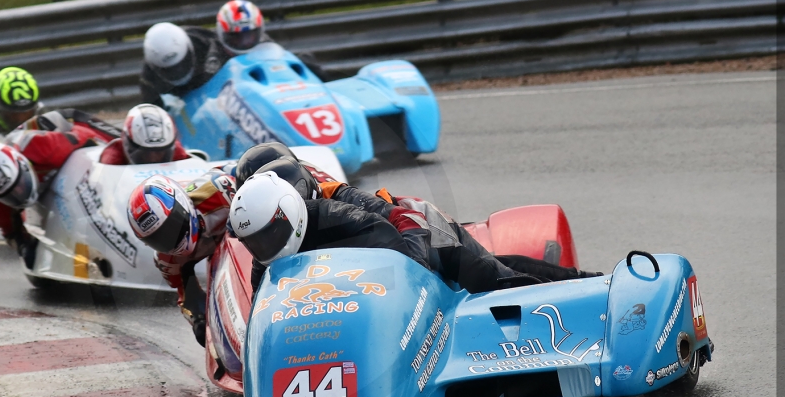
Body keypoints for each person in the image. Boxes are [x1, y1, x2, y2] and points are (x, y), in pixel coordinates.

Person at [231, 170, 603, 295]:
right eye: (255, 241)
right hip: (394, 231)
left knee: (486, 274)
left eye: (268, 235)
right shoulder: (267, 255)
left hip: (416, 225)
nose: (264, 247)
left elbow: (402, 234)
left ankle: (579, 288)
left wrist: (414, 272)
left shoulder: (337, 207)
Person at [0, 109, 120, 265]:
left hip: (72, 124)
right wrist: (23, 246)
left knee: (123, 144)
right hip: (38, 148)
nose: (19, 194)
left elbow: (88, 139)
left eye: (20, 185)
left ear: (24, 167)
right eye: (9, 196)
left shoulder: (46, 149)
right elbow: (10, 233)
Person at [127, 169, 237, 346]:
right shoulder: (167, 261)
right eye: (158, 240)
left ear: (183, 206)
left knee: (259, 161)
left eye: (172, 228)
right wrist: (199, 321)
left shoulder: (219, 196)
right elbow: (188, 297)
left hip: (233, 176)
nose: (170, 241)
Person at [215, 0, 329, 81]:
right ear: (222, 34)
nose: (245, 42)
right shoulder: (213, 56)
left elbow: (279, 67)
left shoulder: (266, 45)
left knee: (306, 60)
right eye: (236, 38)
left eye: (250, 36)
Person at [139, 23, 229, 108]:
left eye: (182, 62)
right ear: (155, 68)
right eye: (169, 70)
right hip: (188, 107)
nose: (178, 71)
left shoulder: (204, 40)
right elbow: (154, 111)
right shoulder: (149, 81)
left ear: (190, 48)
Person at [99, 104, 193, 165]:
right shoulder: (112, 157)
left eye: (159, 152)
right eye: (146, 153)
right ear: (128, 145)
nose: (153, 158)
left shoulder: (178, 152)